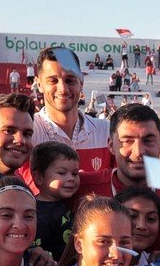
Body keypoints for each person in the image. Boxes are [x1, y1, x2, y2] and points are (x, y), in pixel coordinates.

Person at [31, 47, 112, 199]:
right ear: (39, 84)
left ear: (81, 81)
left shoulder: (105, 131)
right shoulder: (28, 132)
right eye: (53, 80)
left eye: (70, 80)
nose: (63, 89)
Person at [29, 141, 81, 259]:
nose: (71, 179)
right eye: (62, 173)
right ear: (39, 177)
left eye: (75, 173)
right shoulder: (35, 213)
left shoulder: (69, 201)